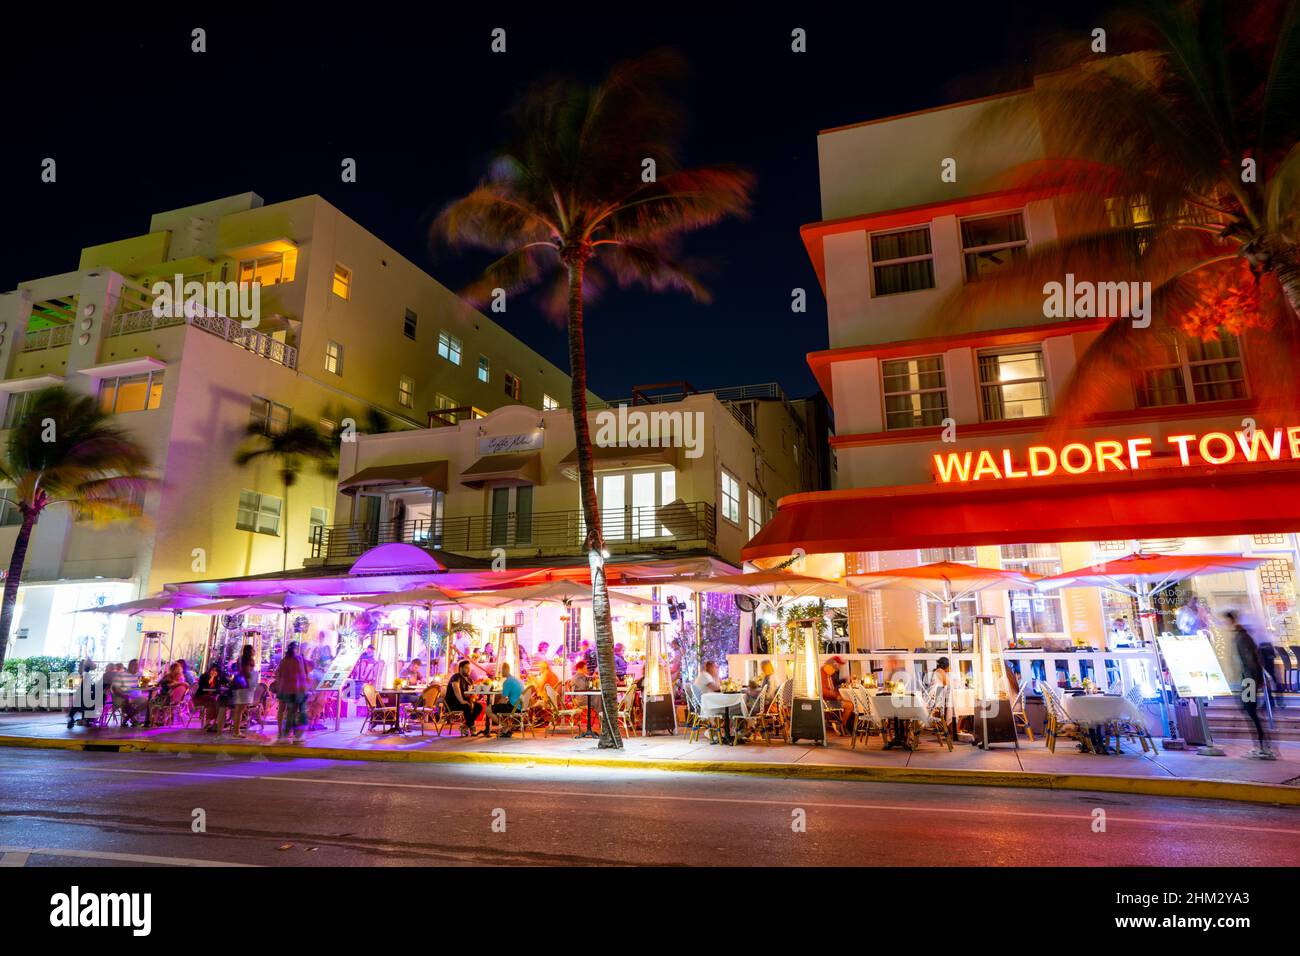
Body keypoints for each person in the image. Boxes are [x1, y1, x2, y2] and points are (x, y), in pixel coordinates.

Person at [1224, 611, 1276, 759]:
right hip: (1248, 678)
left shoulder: (1242, 638)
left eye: (1227, 622)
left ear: (1232, 621)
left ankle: (1262, 746)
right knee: (1249, 711)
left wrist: (1253, 680)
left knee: (1250, 711)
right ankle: (1261, 745)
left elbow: (1250, 660)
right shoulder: (1241, 637)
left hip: (1248, 679)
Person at [275, 641, 312, 743]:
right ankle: (297, 736)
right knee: (301, 713)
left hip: (287, 691)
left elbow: (279, 674)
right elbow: (304, 674)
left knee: (291, 713)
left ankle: (285, 735)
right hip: (299, 690)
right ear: (296, 649)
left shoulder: (284, 661)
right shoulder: (299, 659)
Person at [218, 644, 258, 738]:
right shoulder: (248, 660)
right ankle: (236, 731)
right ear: (250, 651)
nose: (254, 651)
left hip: (238, 684)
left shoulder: (240, 659)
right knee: (239, 710)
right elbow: (247, 673)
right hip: (244, 686)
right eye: (253, 650)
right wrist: (250, 683)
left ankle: (236, 730)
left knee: (238, 710)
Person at [445, 660, 484, 736]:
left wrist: (472, 698)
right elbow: (456, 689)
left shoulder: (469, 680)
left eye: (469, 668)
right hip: (453, 703)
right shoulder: (456, 677)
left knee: (479, 706)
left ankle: (466, 726)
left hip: (464, 703)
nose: (469, 670)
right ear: (461, 668)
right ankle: (472, 726)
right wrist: (462, 700)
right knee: (466, 706)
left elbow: (470, 693)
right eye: (466, 668)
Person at [489, 662, 525, 738]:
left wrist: (496, 705)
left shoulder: (507, 682)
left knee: (488, 709)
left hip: (514, 708)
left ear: (504, 670)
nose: (500, 673)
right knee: (501, 706)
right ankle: (506, 728)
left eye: (501, 671)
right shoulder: (516, 680)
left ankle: (505, 726)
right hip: (521, 707)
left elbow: (502, 699)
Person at [821, 657, 853, 735]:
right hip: (826, 702)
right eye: (833, 669)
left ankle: (842, 725)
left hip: (830, 699)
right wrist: (837, 696)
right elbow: (824, 691)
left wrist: (838, 695)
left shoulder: (826, 674)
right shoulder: (822, 675)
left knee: (849, 702)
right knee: (850, 705)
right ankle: (841, 725)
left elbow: (832, 688)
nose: (834, 671)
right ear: (828, 666)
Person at [194, 662, 227, 731]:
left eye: (216, 670)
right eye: (212, 670)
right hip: (200, 698)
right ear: (209, 670)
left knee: (219, 702)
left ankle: (215, 723)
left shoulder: (218, 678)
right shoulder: (204, 676)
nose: (214, 672)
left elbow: (223, 685)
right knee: (213, 702)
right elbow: (203, 688)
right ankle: (208, 723)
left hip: (210, 698)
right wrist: (211, 678)